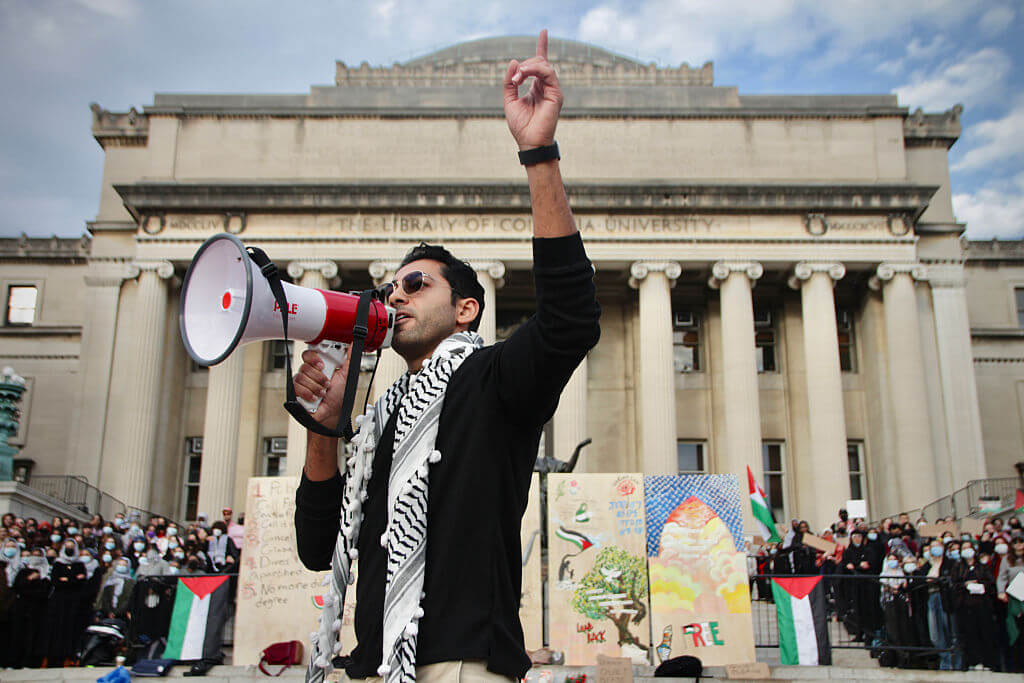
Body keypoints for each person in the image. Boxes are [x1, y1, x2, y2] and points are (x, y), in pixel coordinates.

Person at [293, 30, 601, 683]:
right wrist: (326, 425)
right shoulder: (384, 416)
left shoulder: (493, 380)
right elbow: (318, 547)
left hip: (462, 664)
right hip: (373, 666)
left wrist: (538, 151)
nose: (395, 295)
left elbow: (570, 319)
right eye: (389, 287)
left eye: (416, 283)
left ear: (466, 308)